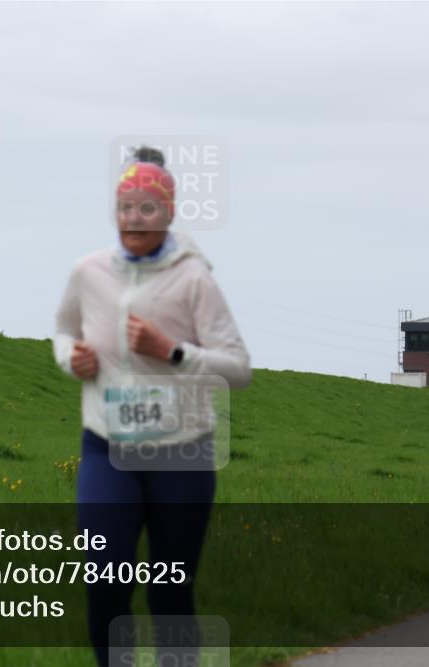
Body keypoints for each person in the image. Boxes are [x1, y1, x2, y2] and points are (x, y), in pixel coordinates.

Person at [53, 146, 251, 666]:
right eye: (125, 206)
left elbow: (239, 369)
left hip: (180, 455)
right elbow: (62, 331)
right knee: (105, 583)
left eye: (147, 207)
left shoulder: (194, 280)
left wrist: (172, 352)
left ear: (167, 213)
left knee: (169, 594)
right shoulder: (88, 272)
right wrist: (71, 359)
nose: (133, 217)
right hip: (106, 447)